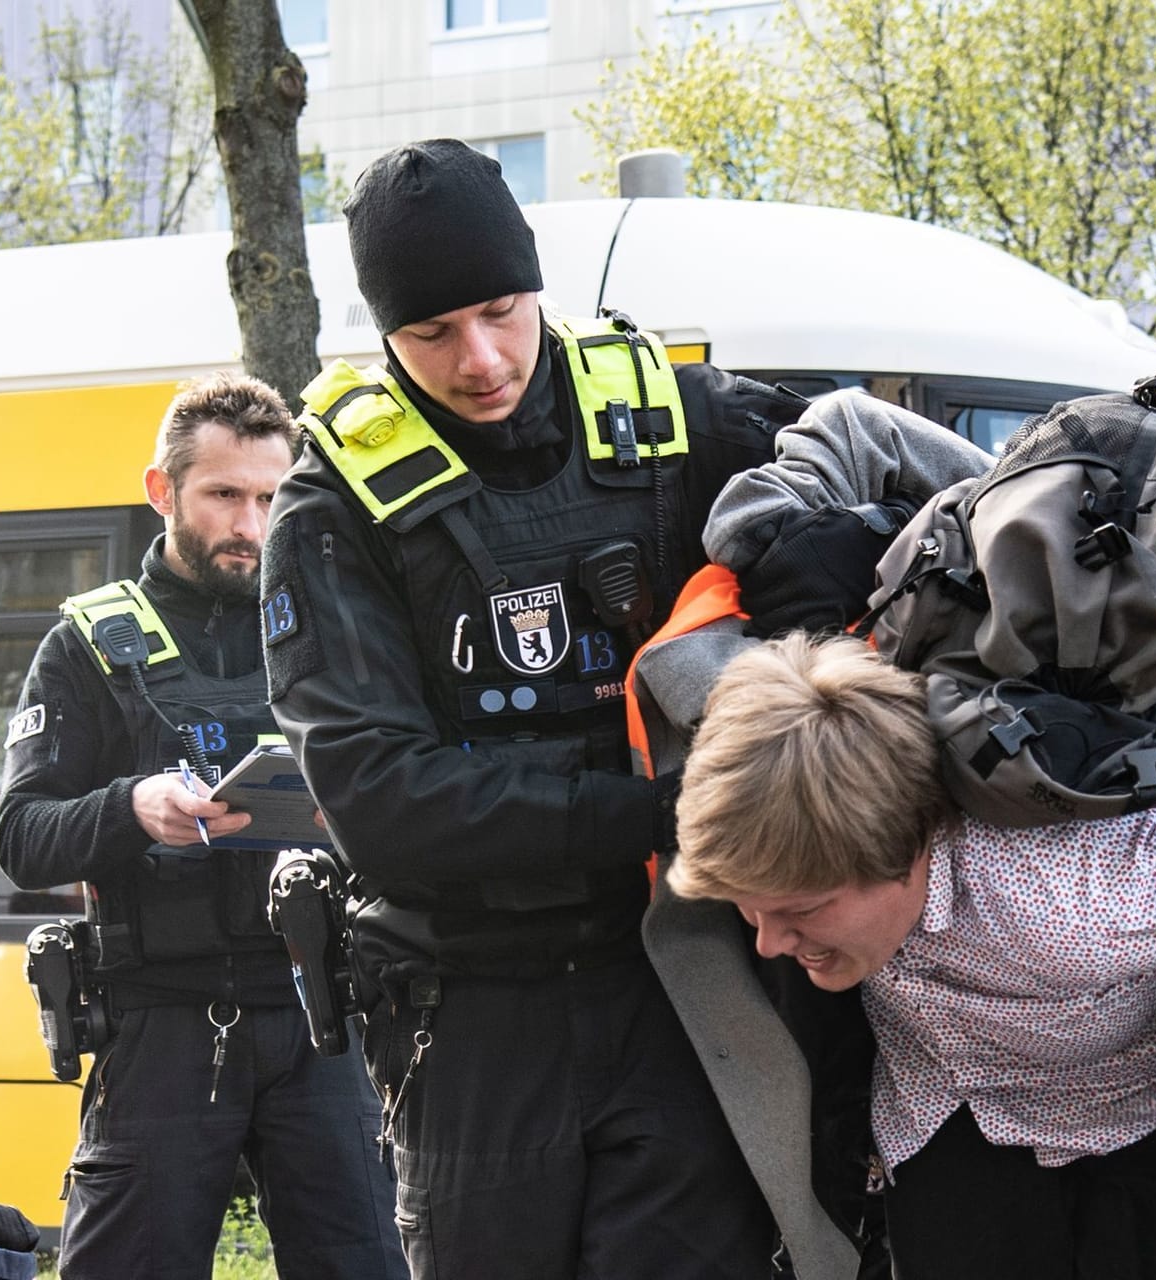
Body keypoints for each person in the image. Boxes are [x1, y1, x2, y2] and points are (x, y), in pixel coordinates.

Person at [259, 139, 798, 1278]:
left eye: (502, 310)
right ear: (385, 333)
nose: (482, 359)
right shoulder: (331, 507)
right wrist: (661, 814)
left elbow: (859, 496)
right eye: (431, 333)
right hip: (471, 1013)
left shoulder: (680, 420)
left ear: (534, 283)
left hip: (681, 978)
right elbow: (383, 801)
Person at [667, 633, 1156, 1280]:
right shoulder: (793, 822)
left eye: (801, 912)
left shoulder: (1076, 909)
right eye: (750, 909)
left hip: (1144, 1121)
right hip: (938, 1117)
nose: (768, 943)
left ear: (905, 854)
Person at [0, 372, 404, 1280]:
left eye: (270, 497)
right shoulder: (89, 644)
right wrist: (130, 809)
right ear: (162, 491)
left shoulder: (334, 630)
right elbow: (19, 837)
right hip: (167, 1028)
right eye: (223, 495)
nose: (251, 526)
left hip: (322, 1021)